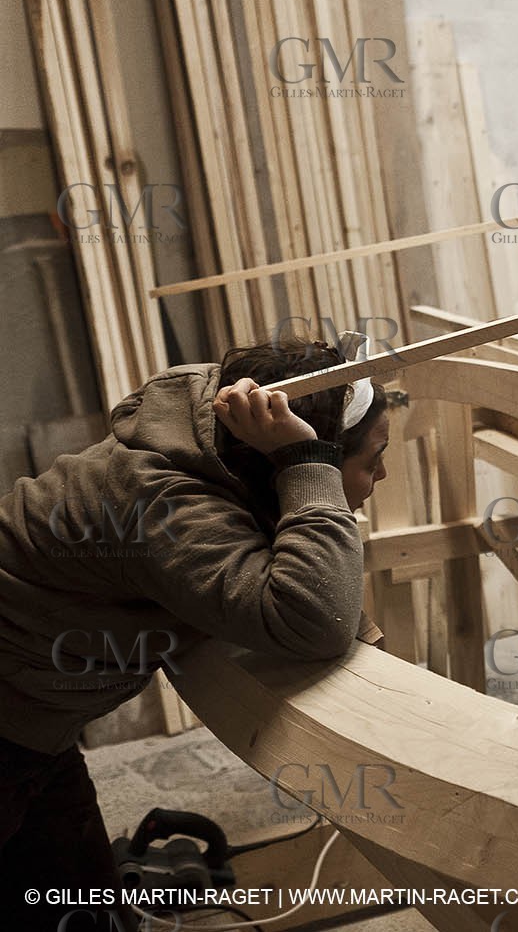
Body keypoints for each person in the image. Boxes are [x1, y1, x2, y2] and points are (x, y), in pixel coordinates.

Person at [0, 333, 389, 931]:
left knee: (78, 903)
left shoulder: (216, 436)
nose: (382, 473)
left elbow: (265, 547)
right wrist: (309, 462)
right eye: (371, 459)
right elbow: (315, 619)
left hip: (37, 722)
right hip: (9, 722)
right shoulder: (164, 501)